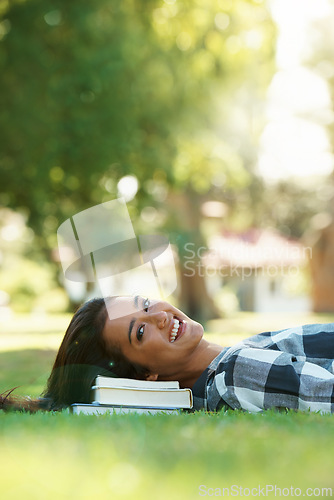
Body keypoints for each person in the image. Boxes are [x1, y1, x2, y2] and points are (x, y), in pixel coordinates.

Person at [1, 295, 334, 413]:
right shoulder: (234, 373)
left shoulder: (231, 358)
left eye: (145, 304)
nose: (159, 316)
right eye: (141, 332)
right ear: (145, 375)